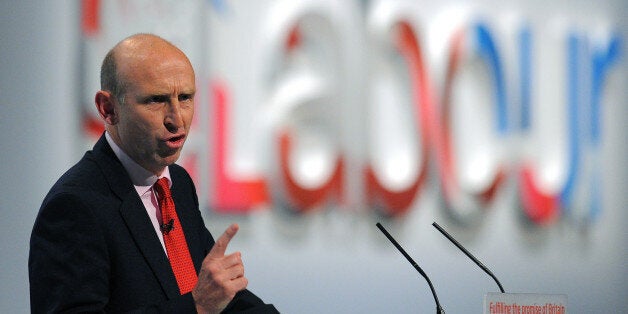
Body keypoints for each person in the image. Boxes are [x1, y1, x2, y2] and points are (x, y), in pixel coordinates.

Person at [29, 34, 278, 313]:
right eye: (156, 100)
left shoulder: (178, 184)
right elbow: (201, 300)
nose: (177, 119)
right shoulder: (75, 207)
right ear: (108, 109)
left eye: (185, 98)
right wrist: (196, 306)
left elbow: (218, 295)